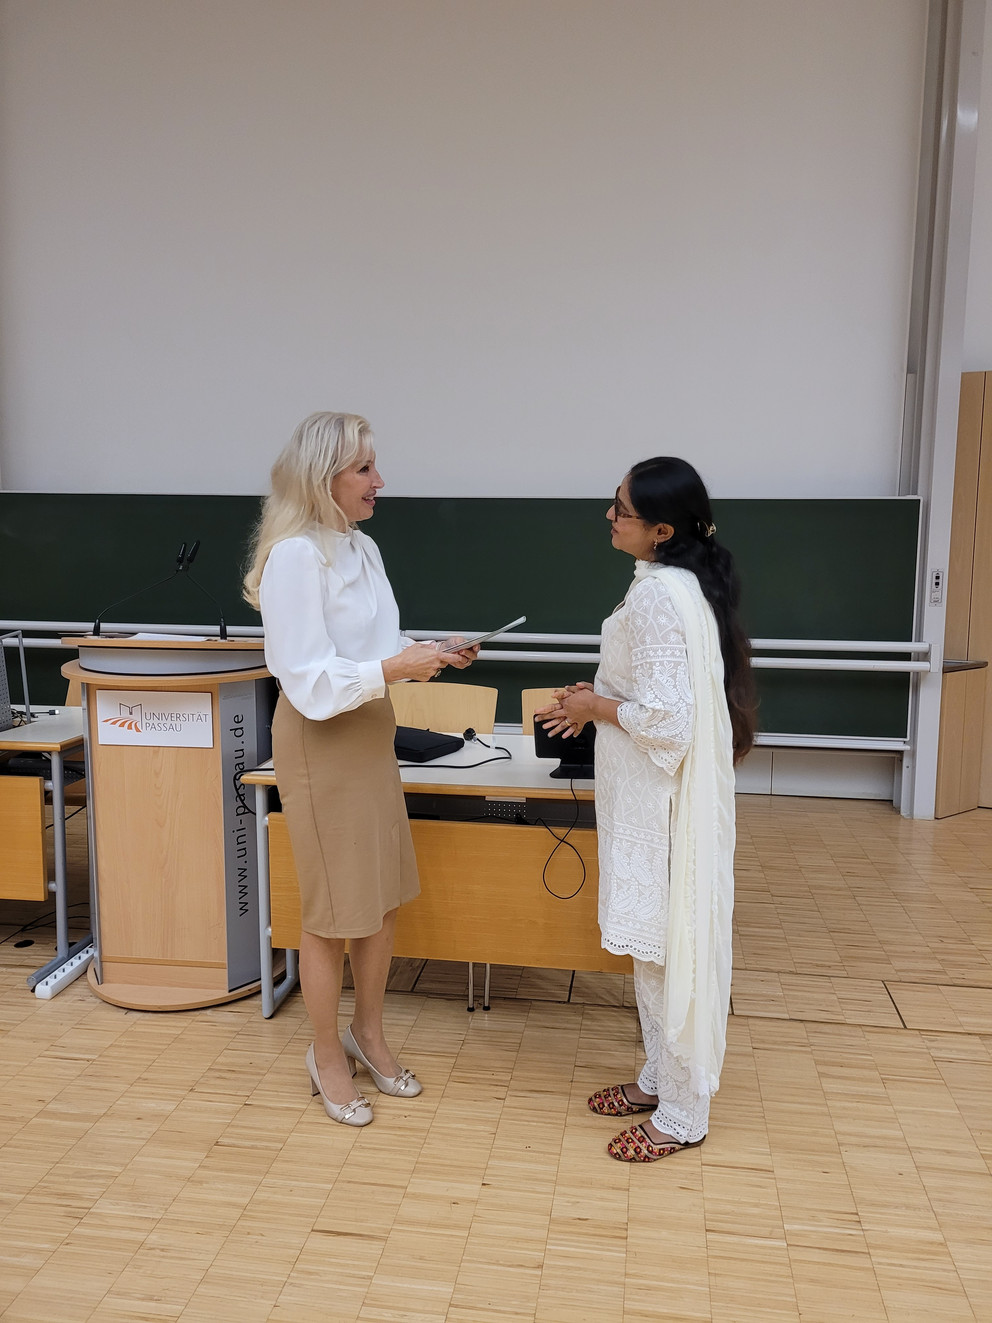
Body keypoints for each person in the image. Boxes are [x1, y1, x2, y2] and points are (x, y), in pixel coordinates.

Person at [243, 412, 478, 1127]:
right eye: (364, 469)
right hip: (321, 741)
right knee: (331, 911)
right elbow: (309, 679)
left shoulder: (363, 549)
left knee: (378, 898)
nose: (380, 481)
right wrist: (392, 666)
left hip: (371, 732)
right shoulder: (293, 558)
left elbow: (377, 647)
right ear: (325, 478)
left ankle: (367, 1032)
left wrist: (429, 651)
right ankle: (326, 1053)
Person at [537, 457, 755, 1162]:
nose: (610, 515)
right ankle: (659, 1077)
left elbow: (669, 720)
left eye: (623, 509)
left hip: (658, 806)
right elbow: (657, 692)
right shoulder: (670, 584)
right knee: (654, 950)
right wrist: (595, 700)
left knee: (669, 954)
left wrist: (596, 705)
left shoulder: (663, 596)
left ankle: (684, 1113)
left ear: (662, 530)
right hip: (648, 800)